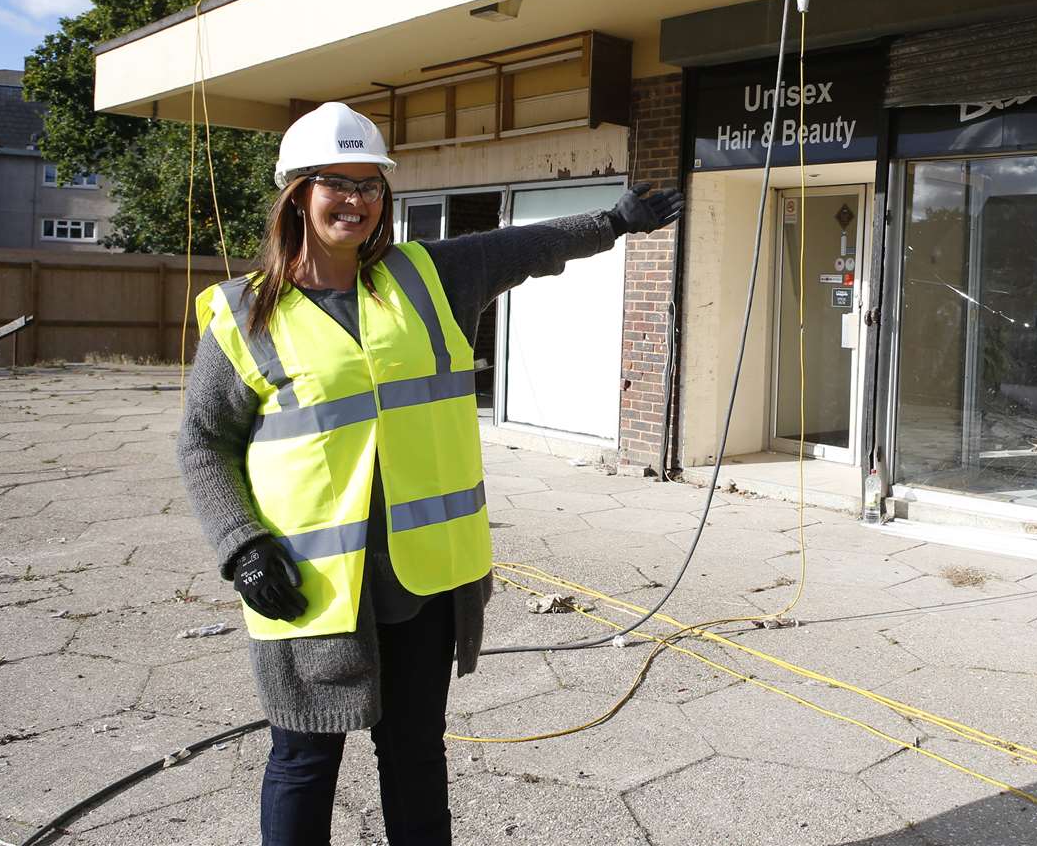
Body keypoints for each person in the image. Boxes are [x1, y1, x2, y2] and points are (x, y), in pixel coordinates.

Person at [176, 102, 683, 845]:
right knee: (303, 760)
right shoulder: (248, 312)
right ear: (296, 194)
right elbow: (201, 440)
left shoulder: (427, 277)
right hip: (309, 585)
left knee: (414, 753)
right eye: (335, 183)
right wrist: (241, 543)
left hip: (425, 579)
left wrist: (613, 222)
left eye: (370, 184)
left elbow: (527, 244)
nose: (356, 199)